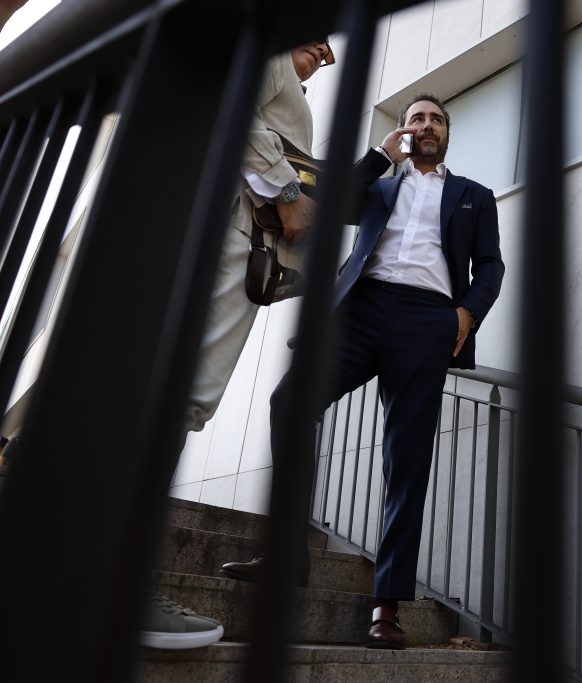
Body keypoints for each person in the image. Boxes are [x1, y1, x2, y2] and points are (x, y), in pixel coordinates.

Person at [221, 93, 504, 650]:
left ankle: (387, 603)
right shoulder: (379, 185)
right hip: (360, 311)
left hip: (428, 320)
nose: (426, 125)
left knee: (407, 458)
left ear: (447, 133)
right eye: (416, 118)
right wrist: (380, 155)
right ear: (404, 130)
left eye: (436, 119)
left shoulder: (473, 195)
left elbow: (491, 264)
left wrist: (466, 313)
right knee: (289, 402)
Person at [139, 38, 335, 651]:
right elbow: (234, 107)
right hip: (234, 234)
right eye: (319, 39)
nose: (323, 52)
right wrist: (287, 193)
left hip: (231, 235)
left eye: (329, 50)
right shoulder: (272, 52)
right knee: (185, 394)